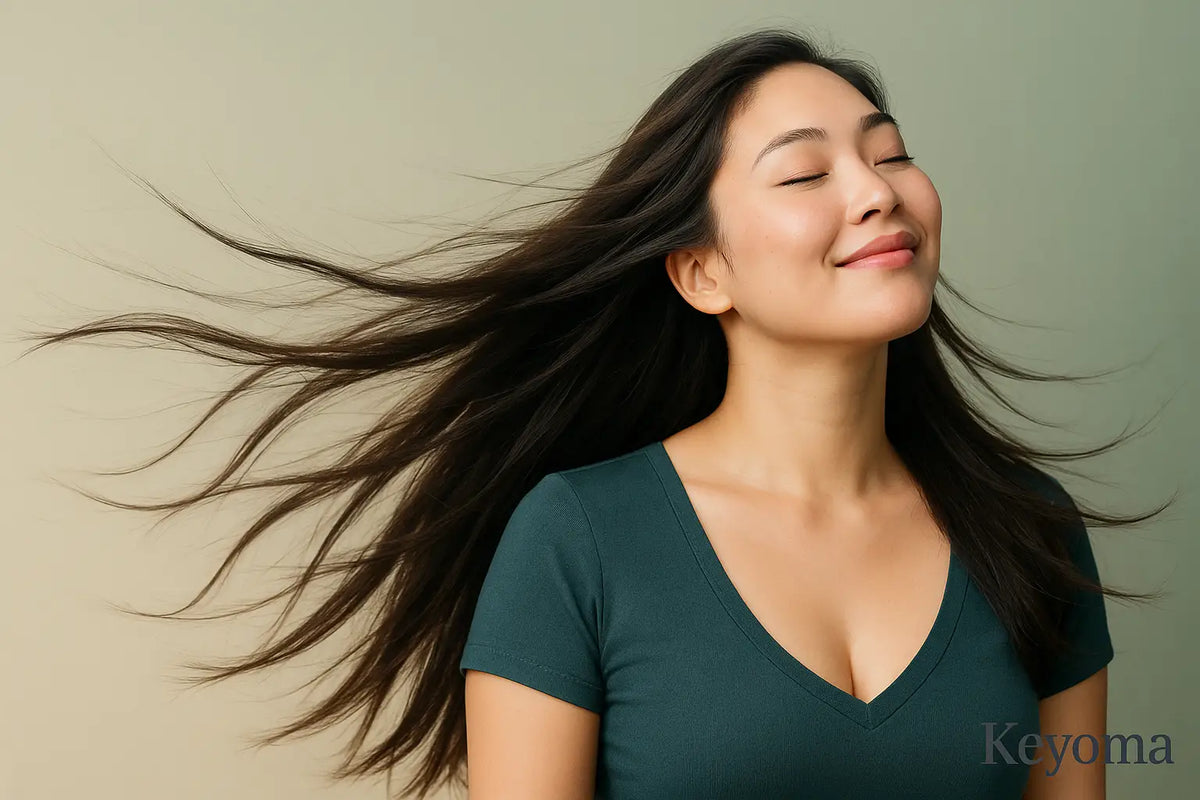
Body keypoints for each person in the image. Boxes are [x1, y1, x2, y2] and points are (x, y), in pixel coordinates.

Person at [25, 26, 1168, 800]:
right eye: (803, 172)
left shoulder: (1029, 527)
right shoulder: (578, 538)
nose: (877, 189)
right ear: (700, 271)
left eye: (892, 154)